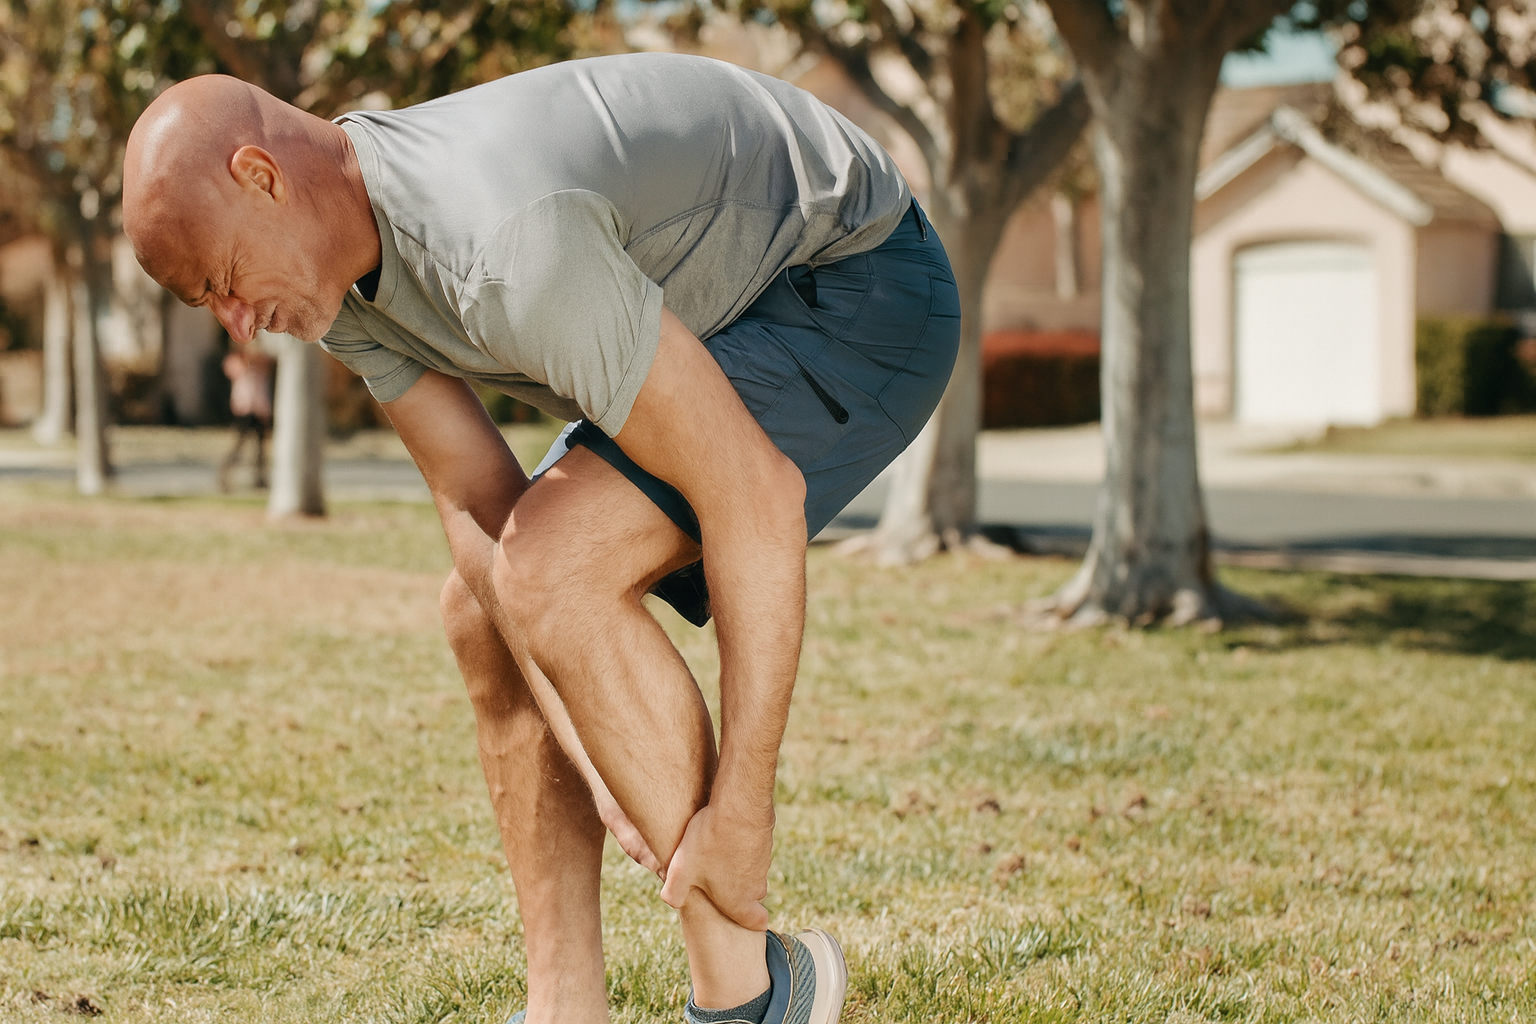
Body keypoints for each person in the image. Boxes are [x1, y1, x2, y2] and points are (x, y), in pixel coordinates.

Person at [121, 54, 959, 1024]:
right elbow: (478, 507)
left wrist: (743, 811)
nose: (239, 325)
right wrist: (585, 750)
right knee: (482, 602)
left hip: (858, 284)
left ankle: (757, 992)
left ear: (260, 177)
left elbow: (757, 495)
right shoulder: (342, 278)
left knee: (556, 567)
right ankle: (566, 1009)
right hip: (731, 310)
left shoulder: (502, 239)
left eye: (224, 282)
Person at [217, 340, 274, 491]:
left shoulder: (262, 363)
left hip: (259, 408)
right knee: (239, 446)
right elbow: (232, 370)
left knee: (260, 449)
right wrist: (247, 359)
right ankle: (225, 474)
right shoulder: (237, 360)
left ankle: (260, 478)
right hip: (245, 408)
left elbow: (264, 378)